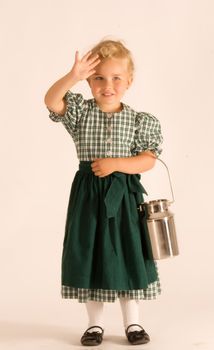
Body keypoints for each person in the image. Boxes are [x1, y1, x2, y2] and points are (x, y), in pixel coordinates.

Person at [44, 39, 163, 346]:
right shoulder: (81, 113)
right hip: (88, 196)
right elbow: (51, 100)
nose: (107, 85)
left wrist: (116, 164)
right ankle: (94, 325)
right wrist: (72, 75)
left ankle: (133, 322)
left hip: (123, 196)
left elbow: (148, 159)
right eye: (98, 78)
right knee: (90, 252)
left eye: (116, 78)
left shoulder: (138, 120)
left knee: (127, 252)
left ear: (129, 81)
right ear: (89, 80)